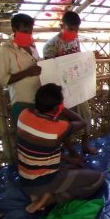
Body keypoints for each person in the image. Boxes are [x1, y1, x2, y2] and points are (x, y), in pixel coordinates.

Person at [16, 84, 104, 213]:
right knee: (98, 178)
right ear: (56, 107)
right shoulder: (57, 127)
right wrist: (62, 109)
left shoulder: (23, 115)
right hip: (44, 180)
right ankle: (50, 198)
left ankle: (40, 194)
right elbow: (81, 122)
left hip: (25, 179)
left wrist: (70, 161)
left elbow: (43, 152)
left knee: (74, 167)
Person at [42, 11, 97, 154]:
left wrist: (89, 58)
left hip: (77, 87)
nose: (74, 32)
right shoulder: (50, 45)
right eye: (71, 29)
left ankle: (85, 145)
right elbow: (50, 69)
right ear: (62, 25)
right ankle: (71, 151)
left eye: (77, 29)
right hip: (61, 90)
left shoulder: (75, 40)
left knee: (86, 116)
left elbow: (78, 60)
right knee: (64, 121)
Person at [0, 13, 42, 127]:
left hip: (40, 100)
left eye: (30, 31)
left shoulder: (32, 45)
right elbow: (3, 80)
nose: (28, 34)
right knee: (26, 138)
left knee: (40, 138)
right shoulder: (6, 49)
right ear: (14, 29)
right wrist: (27, 72)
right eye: (25, 31)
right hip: (22, 102)